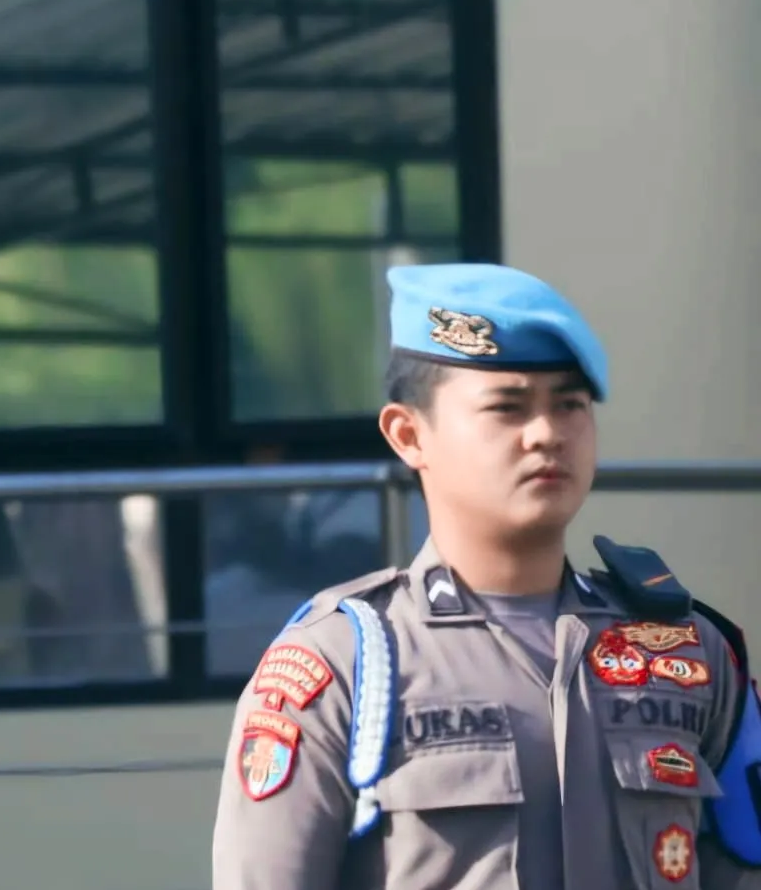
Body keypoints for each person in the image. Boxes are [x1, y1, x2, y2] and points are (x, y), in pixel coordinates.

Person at [211, 262, 761, 890]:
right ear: (409, 434)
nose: (547, 434)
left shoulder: (690, 654)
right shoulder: (343, 666)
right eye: (508, 407)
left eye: (570, 405)